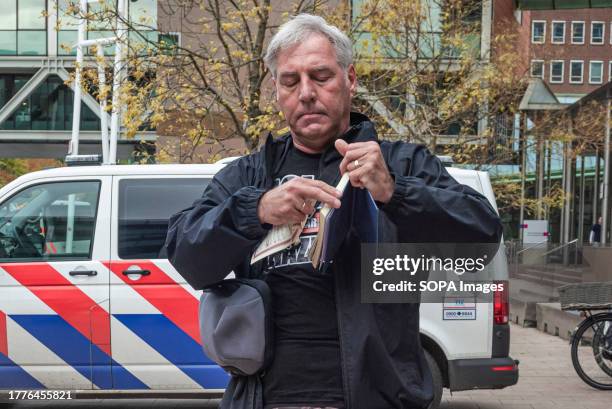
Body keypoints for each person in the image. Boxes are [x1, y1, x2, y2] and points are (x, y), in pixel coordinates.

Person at [164, 14, 502, 409]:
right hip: (266, 398)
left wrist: (393, 191)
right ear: (276, 92)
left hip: (379, 397)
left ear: (351, 79)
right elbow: (187, 258)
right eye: (290, 81)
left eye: (321, 76)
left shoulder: (403, 164)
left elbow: (482, 238)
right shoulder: (247, 177)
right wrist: (254, 210)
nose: (306, 93)